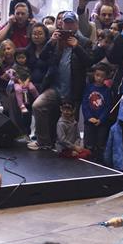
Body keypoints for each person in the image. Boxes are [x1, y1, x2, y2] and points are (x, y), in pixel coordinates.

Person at [27, 12, 91, 151]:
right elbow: (43, 57)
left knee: (70, 124)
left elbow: (89, 63)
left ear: (76, 24)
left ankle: (70, 148)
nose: (68, 26)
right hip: (55, 87)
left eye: (71, 22)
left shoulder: (84, 41)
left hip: (73, 90)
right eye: (66, 23)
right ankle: (43, 141)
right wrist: (51, 42)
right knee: (38, 105)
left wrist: (77, 47)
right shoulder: (56, 39)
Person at [82, 63, 112, 163]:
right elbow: (85, 104)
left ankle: (99, 162)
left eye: (102, 76)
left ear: (106, 77)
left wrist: (101, 119)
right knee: (88, 143)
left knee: (100, 144)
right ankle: (87, 160)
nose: (99, 78)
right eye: (97, 75)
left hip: (101, 123)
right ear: (94, 75)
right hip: (89, 121)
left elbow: (107, 107)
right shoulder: (88, 88)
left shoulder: (107, 91)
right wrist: (88, 117)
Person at [5, 48, 38, 114]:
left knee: (32, 88)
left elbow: (30, 74)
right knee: (18, 90)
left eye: (23, 58)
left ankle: (37, 98)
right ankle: (21, 105)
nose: (21, 60)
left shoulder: (28, 66)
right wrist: (20, 82)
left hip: (27, 81)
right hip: (17, 82)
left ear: (26, 58)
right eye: (18, 58)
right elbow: (15, 75)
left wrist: (27, 81)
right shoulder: (15, 66)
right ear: (15, 58)